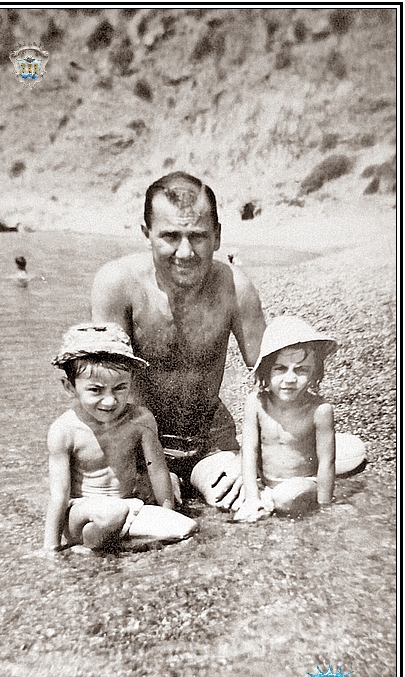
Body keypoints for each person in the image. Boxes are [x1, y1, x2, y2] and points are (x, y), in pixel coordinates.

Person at [91, 172, 266, 509]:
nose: (185, 252)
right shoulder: (117, 284)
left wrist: (254, 460)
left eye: (197, 236)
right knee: (127, 522)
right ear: (147, 234)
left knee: (243, 502)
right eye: (170, 236)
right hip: (139, 444)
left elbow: (269, 374)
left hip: (210, 442)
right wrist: (142, 466)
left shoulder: (234, 288)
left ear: (217, 237)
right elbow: (101, 388)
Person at [43, 323, 196, 553]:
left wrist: (168, 513)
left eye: (120, 388)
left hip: (127, 507)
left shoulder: (140, 420)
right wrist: (50, 548)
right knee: (111, 513)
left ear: (131, 381)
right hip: (81, 514)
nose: (109, 401)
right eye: (96, 390)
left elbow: (158, 471)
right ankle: (88, 544)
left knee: (185, 529)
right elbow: (59, 494)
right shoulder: (64, 430)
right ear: (70, 387)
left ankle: (106, 547)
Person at [234, 315, 338, 520]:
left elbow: (328, 462)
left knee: (285, 498)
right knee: (233, 501)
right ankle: (264, 500)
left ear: (314, 372)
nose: (290, 379)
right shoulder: (255, 403)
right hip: (267, 483)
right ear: (265, 370)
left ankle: (272, 502)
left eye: (301, 370)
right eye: (280, 369)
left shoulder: (319, 410)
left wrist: (325, 507)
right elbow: (249, 452)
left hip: (304, 483)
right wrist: (252, 497)